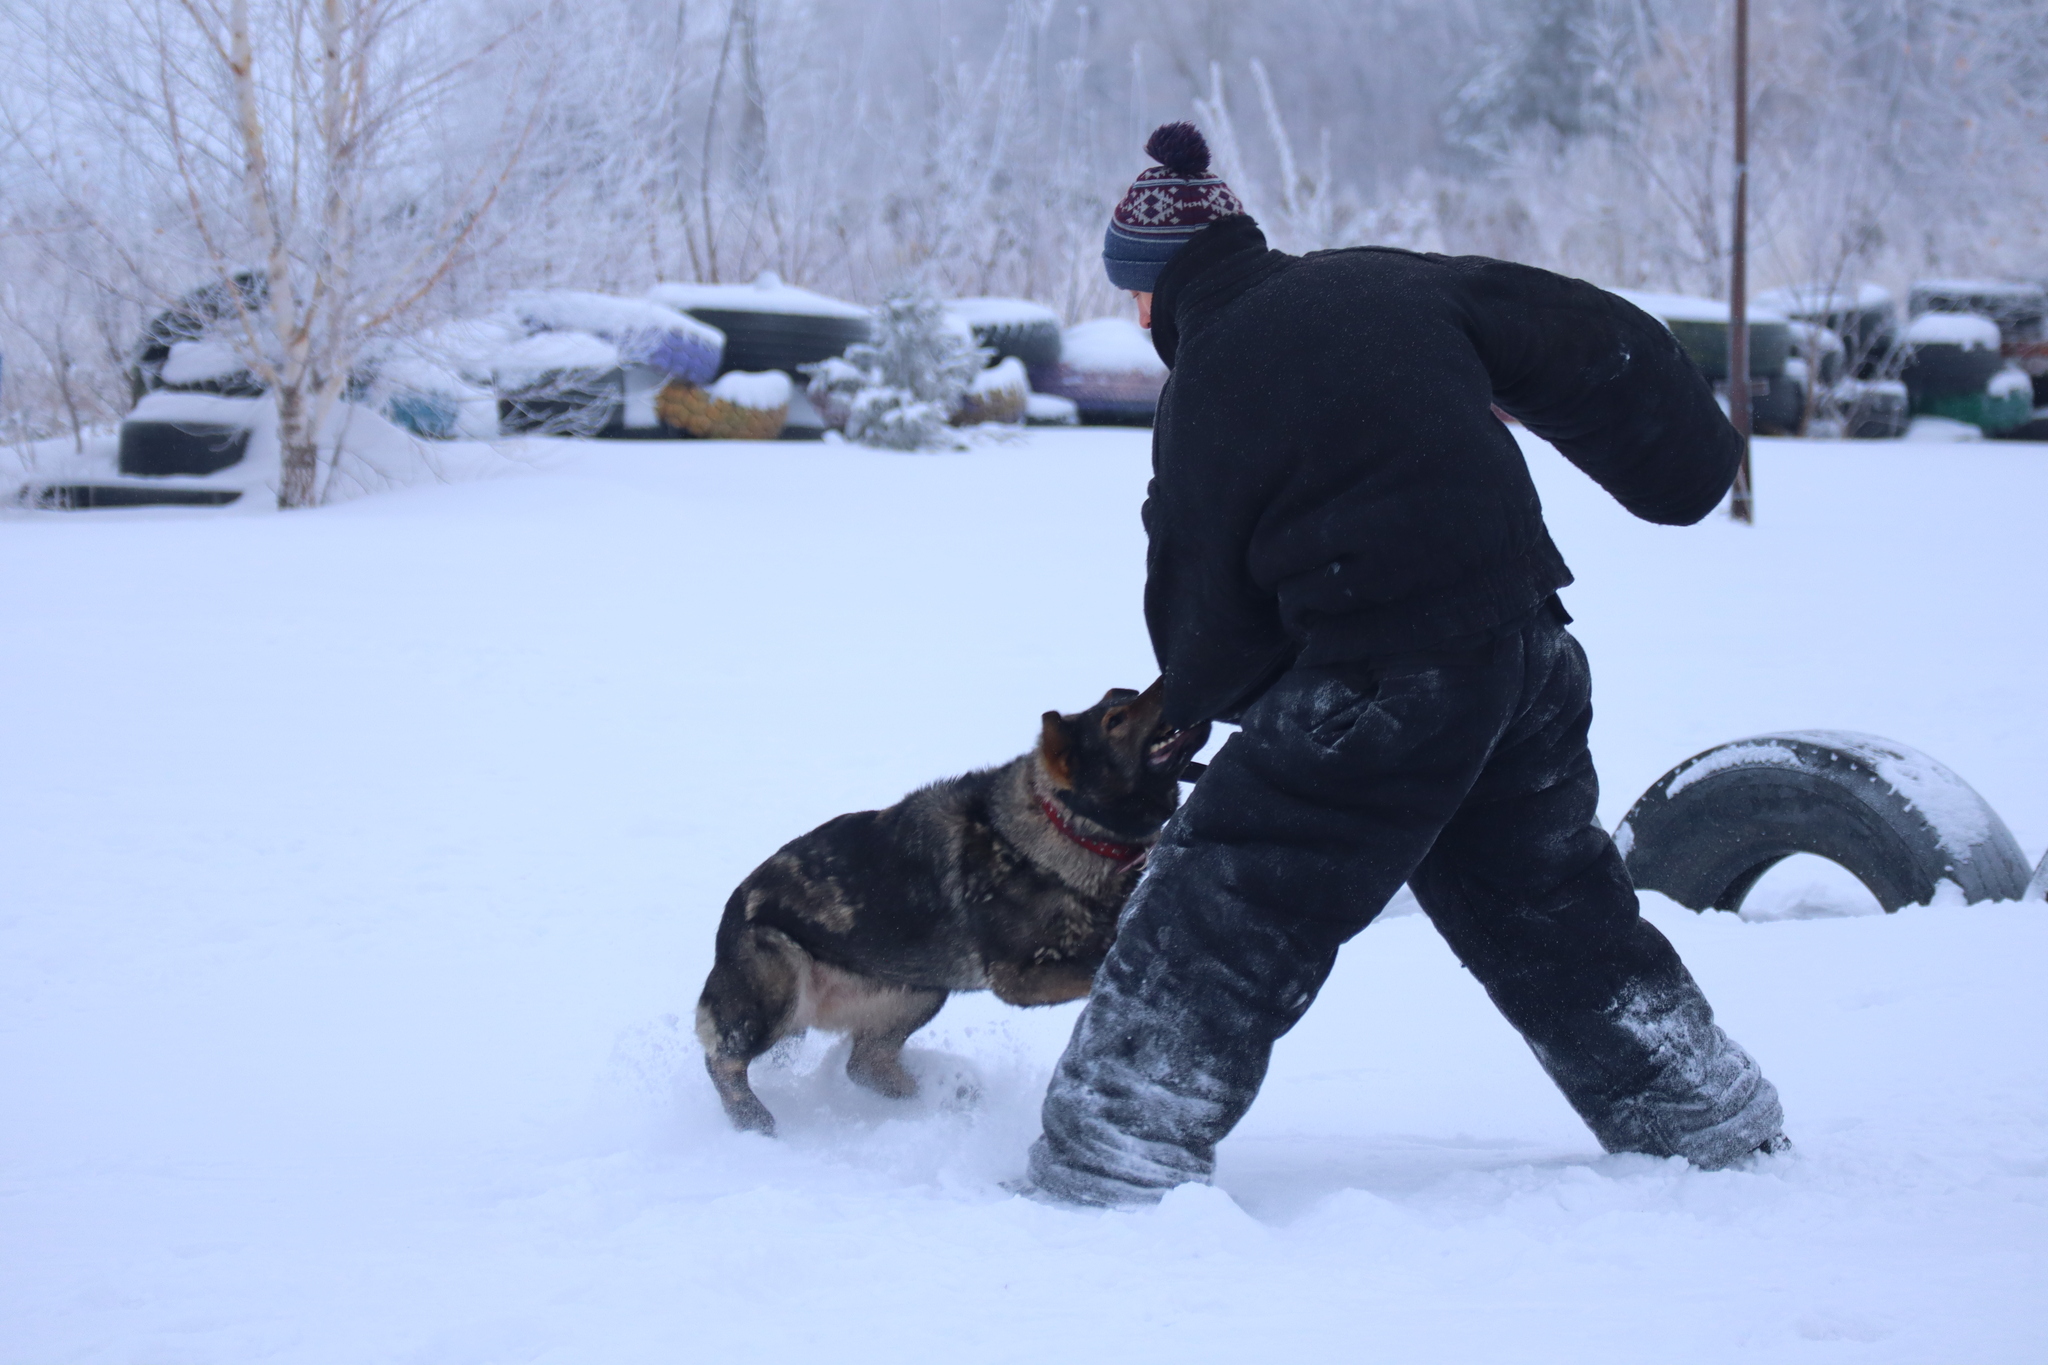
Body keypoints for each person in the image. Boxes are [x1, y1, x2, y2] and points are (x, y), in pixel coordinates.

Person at [1022, 122, 1787, 1208]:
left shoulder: (1208, 379)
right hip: (1525, 653)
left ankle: (1109, 1157)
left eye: (1134, 303)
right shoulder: (1388, 282)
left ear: (1152, 292)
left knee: (1223, 901)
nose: (1138, 324)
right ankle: (1706, 1119)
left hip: (1381, 685)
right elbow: (1583, 335)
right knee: (1544, 901)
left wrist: (1193, 706)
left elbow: (1203, 601)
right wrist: (1683, 463)